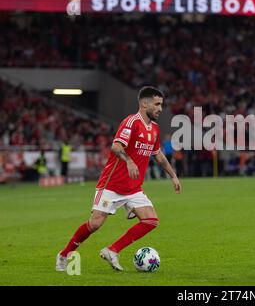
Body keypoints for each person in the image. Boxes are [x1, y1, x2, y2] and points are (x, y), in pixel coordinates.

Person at [55, 86, 181, 272]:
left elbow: (158, 155)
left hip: (134, 188)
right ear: (144, 103)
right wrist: (129, 160)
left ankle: (112, 250)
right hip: (112, 184)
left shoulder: (154, 128)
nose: (160, 108)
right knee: (95, 224)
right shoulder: (131, 122)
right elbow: (116, 146)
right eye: (157, 104)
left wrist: (173, 175)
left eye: (161, 104)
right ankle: (64, 254)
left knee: (151, 220)